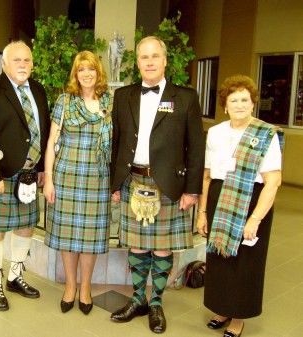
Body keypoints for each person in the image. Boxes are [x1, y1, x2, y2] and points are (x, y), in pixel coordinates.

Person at [109, 36, 205, 334]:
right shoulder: (123, 95)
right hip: (132, 179)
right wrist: (115, 182)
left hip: (168, 183)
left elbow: (196, 147)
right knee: (137, 244)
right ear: (137, 62)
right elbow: (116, 142)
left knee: (162, 249)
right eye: (143, 57)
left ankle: (156, 303)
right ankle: (138, 299)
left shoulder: (185, 97)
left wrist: (191, 190)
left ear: (165, 61)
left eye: (154, 56)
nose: (149, 62)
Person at [197, 75, 283, 337]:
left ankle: (238, 318)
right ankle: (222, 309)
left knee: (245, 264)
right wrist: (202, 212)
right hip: (219, 198)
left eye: (245, 99)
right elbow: (207, 175)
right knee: (220, 259)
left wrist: (255, 218)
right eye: (233, 100)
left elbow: (273, 181)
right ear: (225, 105)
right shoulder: (215, 132)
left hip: (252, 201)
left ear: (253, 103)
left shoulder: (265, 134)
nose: (239, 105)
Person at [0, 40, 50, 312]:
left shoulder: (38, 90)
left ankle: (15, 276)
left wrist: (40, 170)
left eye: (27, 60)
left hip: (29, 173)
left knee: (25, 225)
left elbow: (43, 132)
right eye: (17, 60)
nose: (23, 65)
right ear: (4, 63)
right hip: (1, 174)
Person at [43, 51, 113, 315]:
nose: (86, 74)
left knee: (90, 237)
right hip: (67, 175)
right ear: (75, 74)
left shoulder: (109, 102)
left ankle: (86, 288)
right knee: (68, 235)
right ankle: (70, 286)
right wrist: (48, 180)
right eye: (81, 70)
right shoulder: (64, 101)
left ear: (98, 73)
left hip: (97, 177)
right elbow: (51, 143)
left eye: (91, 69)